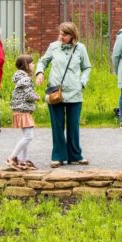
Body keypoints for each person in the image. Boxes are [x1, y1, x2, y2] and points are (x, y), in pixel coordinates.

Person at [35, 22, 92, 167]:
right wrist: (40, 72)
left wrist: (82, 83)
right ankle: (58, 156)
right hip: (55, 92)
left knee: (73, 126)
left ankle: (75, 156)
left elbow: (86, 67)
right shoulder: (53, 46)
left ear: (72, 35)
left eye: (64, 34)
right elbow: (43, 61)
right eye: (60, 33)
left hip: (75, 92)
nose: (61, 37)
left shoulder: (80, 48)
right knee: (57, 126)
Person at [7, 54, 39, 170]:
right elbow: (28, 94)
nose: (33, 65)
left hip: (20, 110)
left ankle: (24, 160)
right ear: (26, 65)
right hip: (23, 110)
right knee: (28, 137)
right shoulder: (26, 79)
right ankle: (12, 157)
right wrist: (36, 97)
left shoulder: (20, 78)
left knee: (26, 136)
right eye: (32, 63)